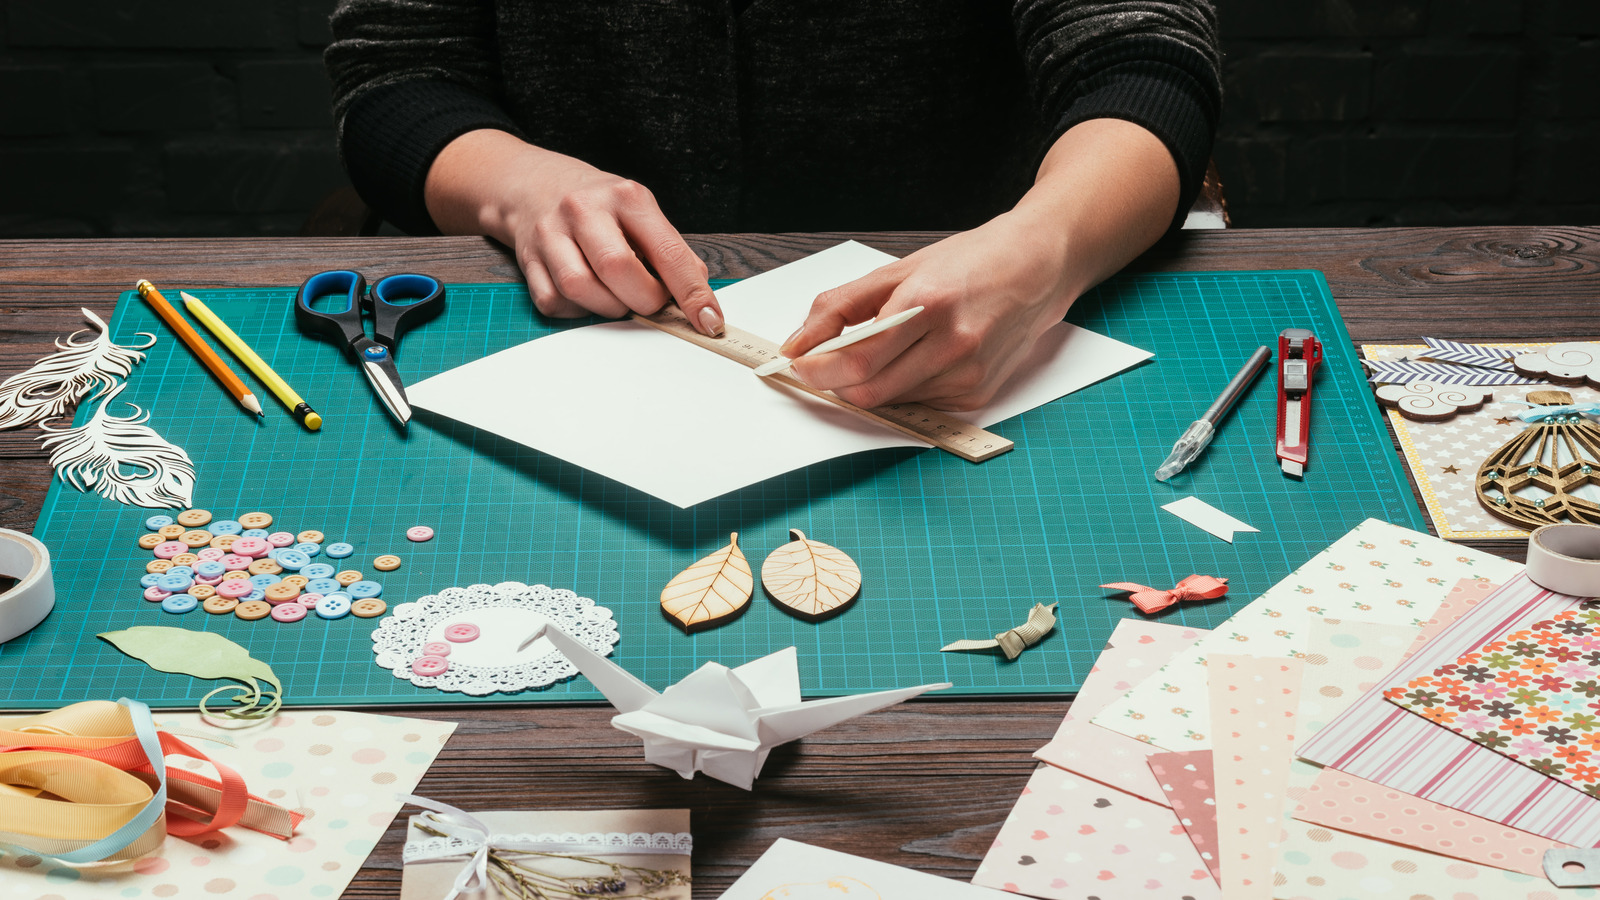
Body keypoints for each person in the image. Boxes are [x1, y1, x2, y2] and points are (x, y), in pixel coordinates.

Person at [326, 2, 1220, 411]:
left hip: (983, 285)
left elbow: (1142, 57)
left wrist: (1046, 246)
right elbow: (399, 75)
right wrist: (519, 187)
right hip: (545, 316)